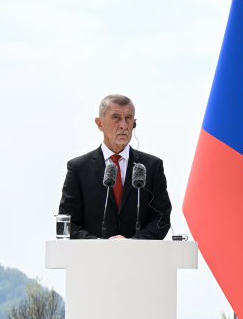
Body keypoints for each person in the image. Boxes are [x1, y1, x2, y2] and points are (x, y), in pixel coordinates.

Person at [59, 94, 172, 240]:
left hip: (139, 258)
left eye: (128, 118)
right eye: (116, 117)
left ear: (134, 123)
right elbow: (68, 223)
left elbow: (161, 219)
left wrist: (132, 243)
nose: (124, 125)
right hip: (93, 259)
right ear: (99, 124)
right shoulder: (78, 168)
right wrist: (101, 245)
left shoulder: (151, 166)